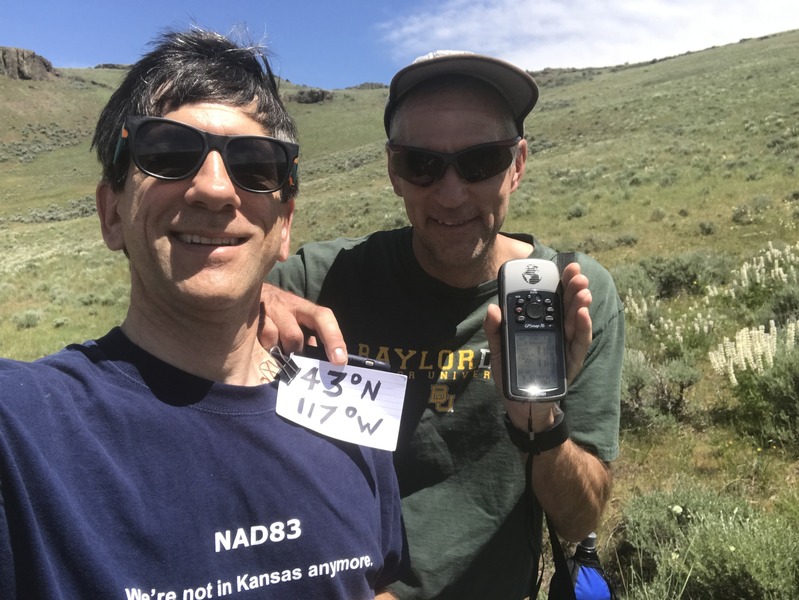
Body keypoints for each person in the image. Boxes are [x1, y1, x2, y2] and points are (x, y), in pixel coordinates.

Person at [0, 29, 406, 599]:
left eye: (255, 164)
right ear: (110, 213)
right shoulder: (24, 431)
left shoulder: (351, 402)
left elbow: (373, 581)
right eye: (167, 153)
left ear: (285, 224)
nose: (215, 189)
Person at [263, 50, 625, 599]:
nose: (452, 194)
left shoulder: (571, 298)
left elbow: (579, 521)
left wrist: (539, 422)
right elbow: (177, 308)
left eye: (481, 162)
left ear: (518, 165)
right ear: (393, 171)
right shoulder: (324, 281)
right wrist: (248, 301)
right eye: (422, 165)